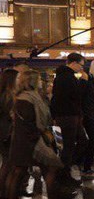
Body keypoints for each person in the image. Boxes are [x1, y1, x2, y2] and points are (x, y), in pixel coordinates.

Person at [7, 70, 74, 199]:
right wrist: (43, 132)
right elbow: (34, 122)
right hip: (31, 141)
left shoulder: (24, 97)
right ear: (32, 81)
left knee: (18, 173)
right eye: (38, 80)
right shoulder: (28, 99)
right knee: (51, 167)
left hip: (22, 141)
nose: (40, 82)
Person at [50, 53, 88, 184]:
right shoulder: (67, 77)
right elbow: (77, 95)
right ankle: (63, 173)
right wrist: (83, 82)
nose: (82, 68)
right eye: (81, 65)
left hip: (66, 116)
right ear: (74, 63)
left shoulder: (62, 76)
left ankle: (64, 170)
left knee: (74, 144)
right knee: (69, 146)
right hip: (68, 116)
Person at [0, 69, 19, 195]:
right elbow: (11, 115)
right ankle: (4, 191)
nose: (19, 81)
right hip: (7, 132)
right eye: (17, 78)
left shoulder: (5, 94)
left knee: (7, 162)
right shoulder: (8, 96)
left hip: (4, 132)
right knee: (8, 163)